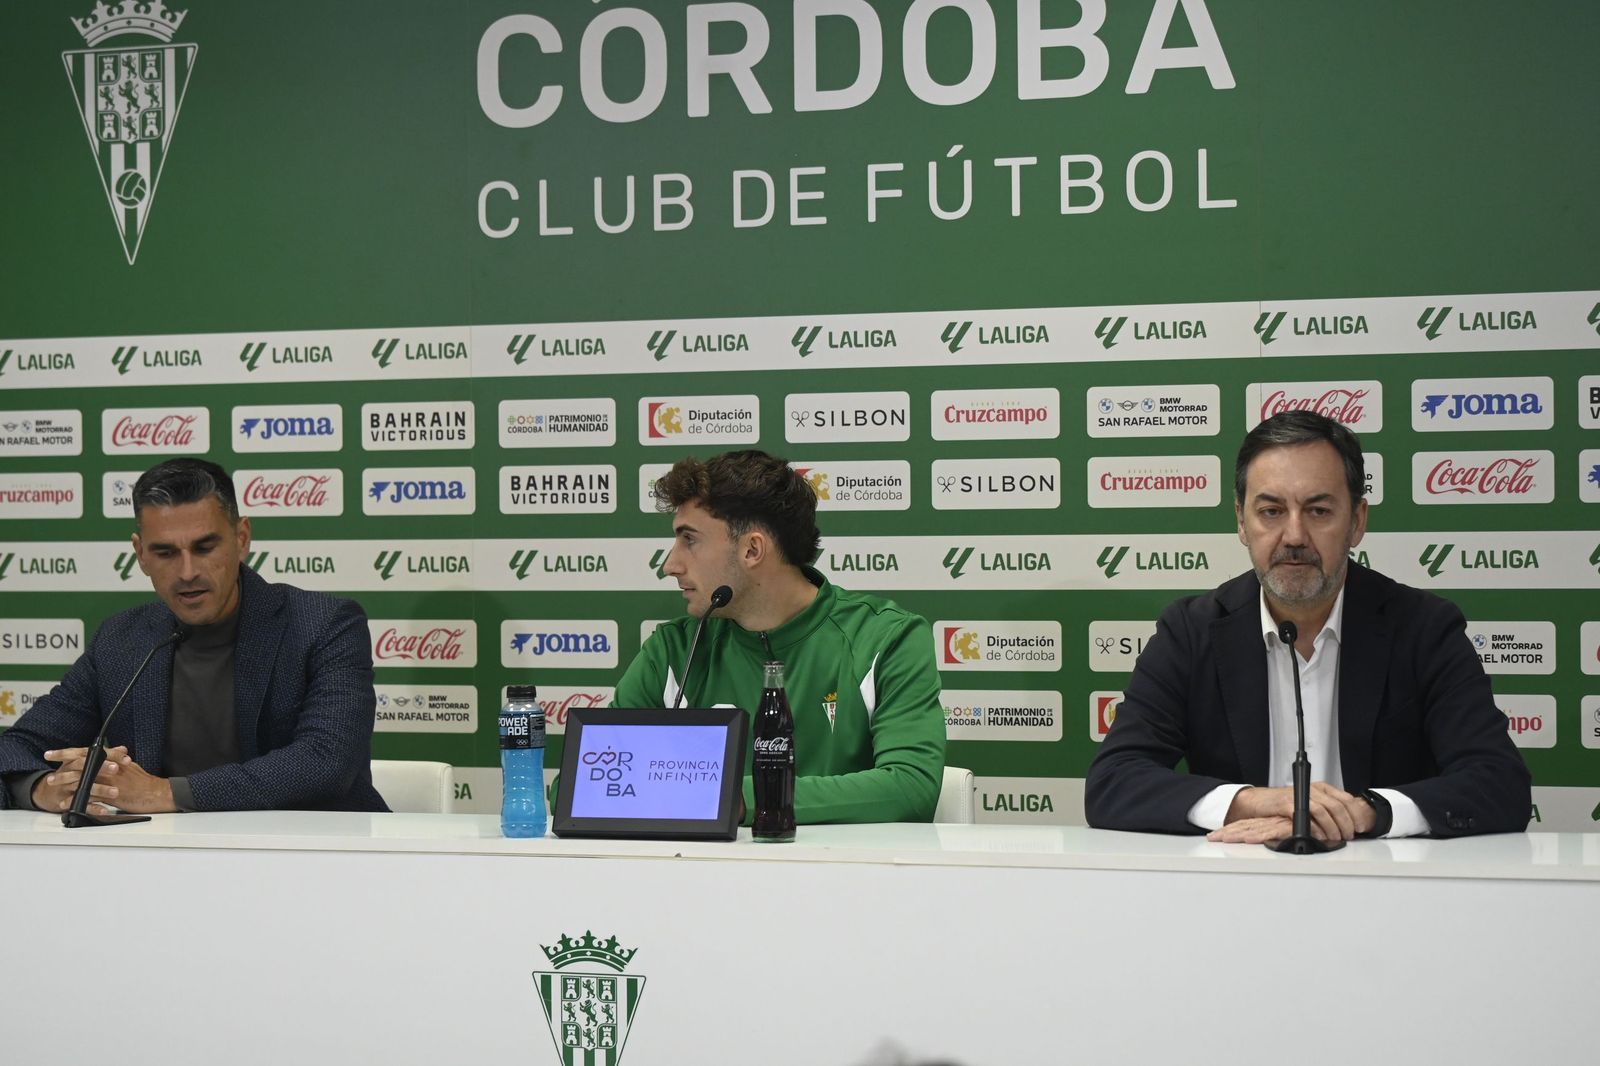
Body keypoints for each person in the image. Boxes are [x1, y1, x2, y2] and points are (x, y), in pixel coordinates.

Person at [1084, 411, 1529, 842]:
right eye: (1272, 512)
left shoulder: (1424, 629)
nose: (1294, 536)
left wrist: (1365, 812)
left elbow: (1500, 784)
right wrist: (1252, 803)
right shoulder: (1191, 632)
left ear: (1356, 522)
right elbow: (1113, 781)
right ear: (1242, 521)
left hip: (1386, 894)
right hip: (1234, 891)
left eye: (1317, 511)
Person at [0, 458, 386, 813]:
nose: (187, 572)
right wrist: (43, 788)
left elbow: (326, 761)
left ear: (242, 538)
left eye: (204, 547)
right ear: (141, 555)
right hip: (165, 864)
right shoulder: (121, 641)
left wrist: (165, 793)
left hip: (314, 861)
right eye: (166, 553)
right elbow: (16, 748)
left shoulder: (325, 624)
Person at [615, 450, 946, 823]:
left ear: (752, 549)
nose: (670, 565)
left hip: (849, 876)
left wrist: (733, 799)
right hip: (706, 878)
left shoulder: (886, 638)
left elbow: (910, 787)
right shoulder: (674, 650)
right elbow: (579, 784)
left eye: (689, 540)